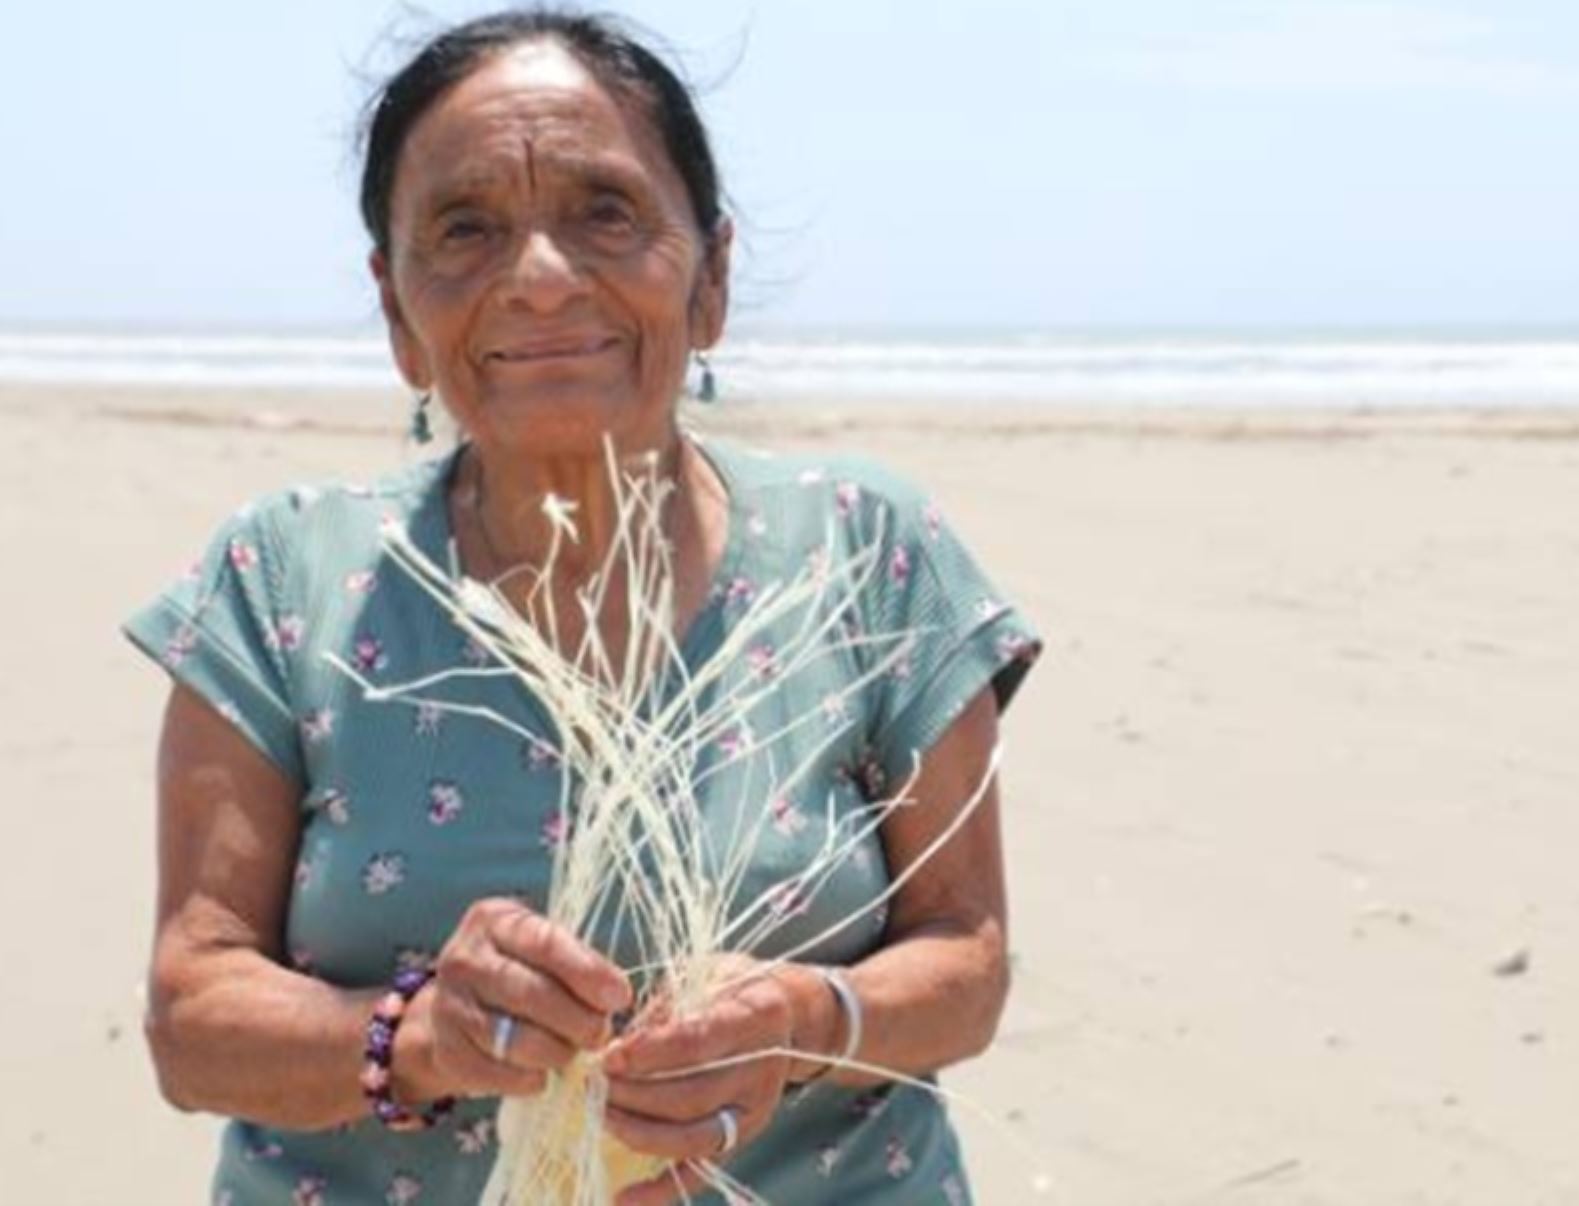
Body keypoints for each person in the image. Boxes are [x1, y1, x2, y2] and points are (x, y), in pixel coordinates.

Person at [125, 9, 1039, 1204]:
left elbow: (967, 962)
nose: (542, 279)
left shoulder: (865, 556)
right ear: (399, 312)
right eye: (465, 231)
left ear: (710, 277)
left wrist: (808, 1016)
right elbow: (191, 1020)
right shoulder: (286, 577)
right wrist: (422, 1034)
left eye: (607, 213)